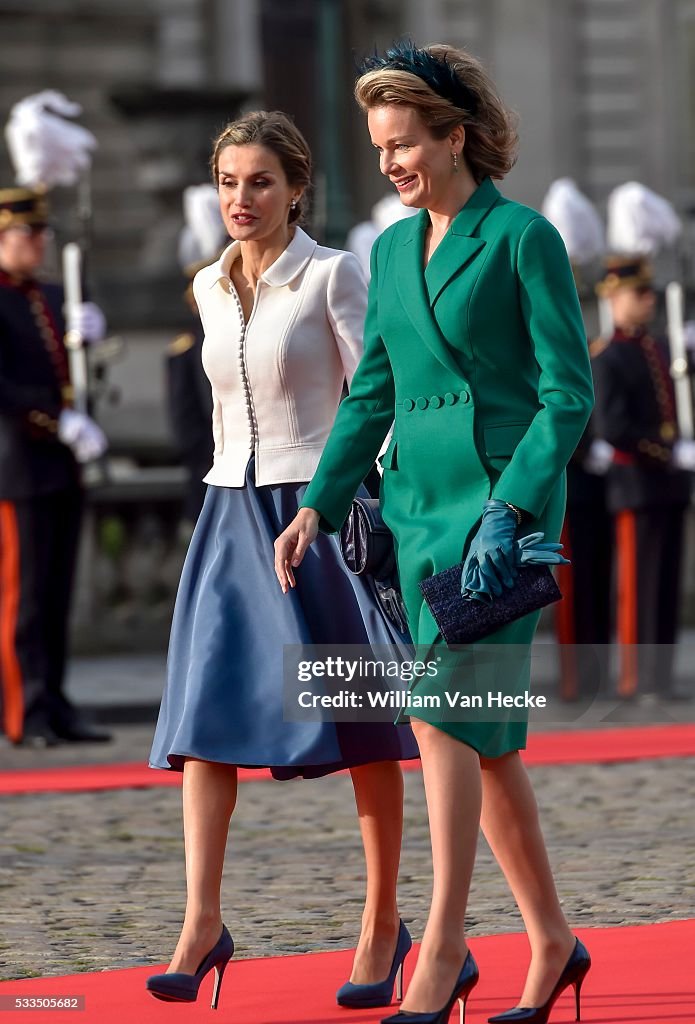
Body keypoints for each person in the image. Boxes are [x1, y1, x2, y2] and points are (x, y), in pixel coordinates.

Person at [276, 43, 595, 1024]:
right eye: (379, 149)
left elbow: (564, 393)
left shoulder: (520, 239)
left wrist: (514, 504)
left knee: (436, 713)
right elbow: (370, 389)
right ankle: (550, 941)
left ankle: (447, 941)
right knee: (484, 743)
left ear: (455, 137)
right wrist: (319, 503)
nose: (391, 165)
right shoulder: (388, 250)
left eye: (405, 144)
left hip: (497, 522)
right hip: (416, 519)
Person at [147, 111, 418, 1011]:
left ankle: (382, 924)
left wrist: (347, 507)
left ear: (296, 187)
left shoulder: (335, 273)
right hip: (228, 517)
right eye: (227, 182)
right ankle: (199, 922)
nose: (240, 199)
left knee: (362, 727)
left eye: (258, 182)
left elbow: (372, 399)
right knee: (202, 723)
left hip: (319, 516)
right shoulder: (205, 287)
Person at [0, 186, 110, 747]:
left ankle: (59, 704)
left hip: (62, 466)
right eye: (26, 235)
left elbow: (79, 379)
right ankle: (26, 713)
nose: (38, 243)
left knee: (58, 592)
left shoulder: (50, 295)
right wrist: (54, 420)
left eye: (41, 234)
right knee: (24, 599)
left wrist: (89, 339)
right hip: (16, 466)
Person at [592, 255, 692, 701]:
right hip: (636, 485)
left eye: (649, 293)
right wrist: (669, 448)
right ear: (613, 297)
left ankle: (663, 676)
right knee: (640, 587)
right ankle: (638, 677)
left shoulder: (661, 351)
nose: (647, 301)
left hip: (670, 485)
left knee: (667, 585)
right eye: (639, 293)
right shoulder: (610, 357)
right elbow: (614, 427)